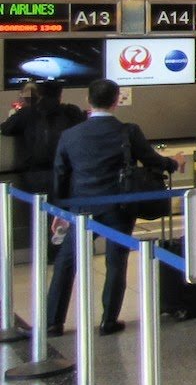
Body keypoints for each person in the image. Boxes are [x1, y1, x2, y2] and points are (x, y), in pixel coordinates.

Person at [47, 79, 184, 336]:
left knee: (66, 262)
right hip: (119, 207)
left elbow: (60, 175)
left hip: (81, 208)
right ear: (116, 100)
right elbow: (152, 160)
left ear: (88, 101)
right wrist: (174, 162)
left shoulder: (70, 135)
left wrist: (59, 212)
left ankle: (53, 322)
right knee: (116, 262)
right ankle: (108, 320)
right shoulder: (128, 131)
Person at [2, 80, 85, 261]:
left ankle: (42, 253)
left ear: (39, 94)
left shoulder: (27, 114)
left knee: (37, 216)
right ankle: (61, 253)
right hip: (65, 172)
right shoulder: (70, 112)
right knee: (63, 213)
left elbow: (6, 128)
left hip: (34, 173)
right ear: (60, 94)